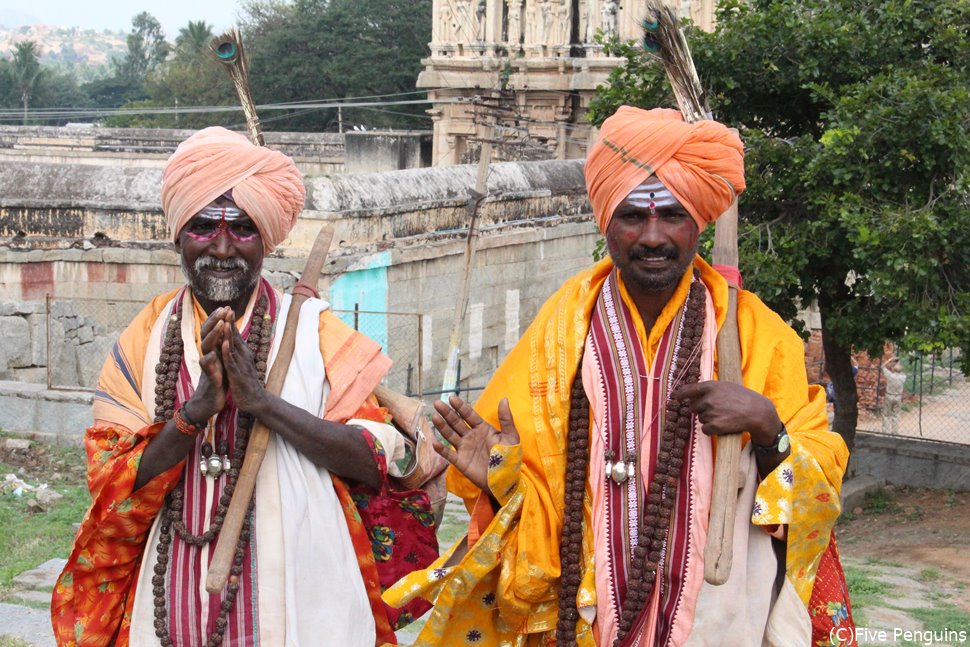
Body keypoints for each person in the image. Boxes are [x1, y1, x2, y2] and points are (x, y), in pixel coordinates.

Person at [384, 107, 853, 645]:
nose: (652, 236)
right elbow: (528, 495)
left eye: (672, 215)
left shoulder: (755, 334)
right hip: (586, 616)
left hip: (718, 613)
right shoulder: (562, 329)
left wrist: (769, 428)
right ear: (606, 221)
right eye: (633, 216)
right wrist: (500, 474)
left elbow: (819, 479)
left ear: (697, 221)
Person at [51, 127, 417, 647]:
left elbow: (374, 461)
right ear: (179, 234)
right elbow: (112, 482)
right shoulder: (146, 338)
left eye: (242, 229)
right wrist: (194, 413)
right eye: (203, 226)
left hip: (305, 595)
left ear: (265, 239)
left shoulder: (315, 331)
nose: (222, 248)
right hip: (169, 595)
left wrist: (263, 403)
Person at [882, 357, 907, 435]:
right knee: (896, 415)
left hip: (889, 395)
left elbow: (882, 367)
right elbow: (902, 371)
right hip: (898, 396)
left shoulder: (890, 375)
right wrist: (897, 364)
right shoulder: (903, 377)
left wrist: (889, 361)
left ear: (893, 369)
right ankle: (895, 431)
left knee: (886, 414)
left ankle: (885, 431)